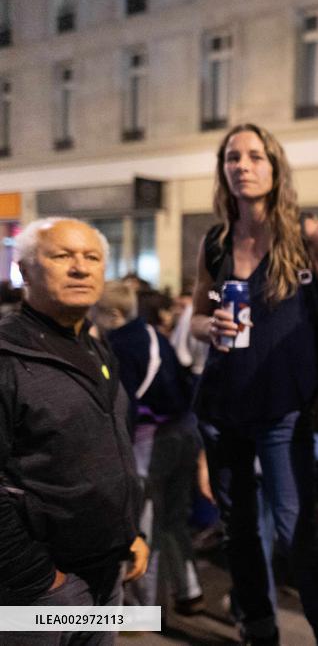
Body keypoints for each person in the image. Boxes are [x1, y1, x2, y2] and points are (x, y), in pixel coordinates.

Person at [190, 123, 318, 645]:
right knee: (238, 531)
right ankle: (258, 630)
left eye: (254, 156)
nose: (242, 165)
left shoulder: (307, 234)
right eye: (232, 157)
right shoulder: (215, 242)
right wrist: (208, 325)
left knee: (296, 531)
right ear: (223, 170)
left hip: (286, 408)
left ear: (274, 166)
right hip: (222, 407)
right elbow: (196, 317)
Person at [0, 217, 148, 644]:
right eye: (62, 256)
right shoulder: (8, 356)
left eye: (92, 257)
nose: (81, 268)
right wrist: (40, 581)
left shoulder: (95, 347)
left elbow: (109, 448)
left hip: (105, 574)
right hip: (39, 591)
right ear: (25, 271)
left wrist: (131, 532)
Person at [92, 281, 205, 615]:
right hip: (183, 431)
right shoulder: (152, 335)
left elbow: (124, 405)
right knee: (174, 518)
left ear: (112, 314)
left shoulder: (122, 346)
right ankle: (188, 590)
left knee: (145, 525)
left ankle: (143, 608)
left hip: (150, 441)